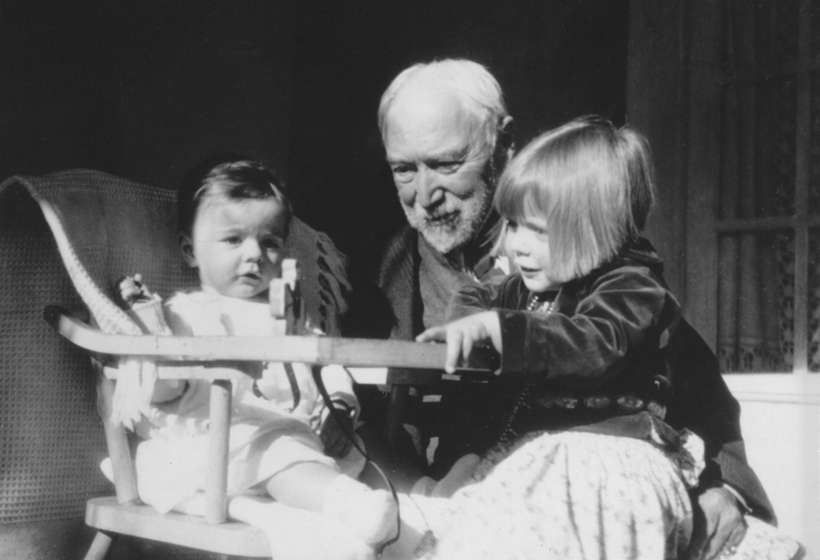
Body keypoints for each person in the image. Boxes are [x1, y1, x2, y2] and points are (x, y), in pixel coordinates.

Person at [367, 57, 773, 560]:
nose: (425, 195)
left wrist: (727, 490)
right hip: (448, 516)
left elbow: (698, 394)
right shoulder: (377, 279)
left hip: (588, 502)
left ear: (503, 143)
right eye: (405, 170)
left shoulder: (598, 271)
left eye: (447, 164)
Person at [116, 159, 396, 559]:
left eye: (270, 242)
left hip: (289, 436)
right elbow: (163, 389)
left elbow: (324, 362)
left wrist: (339, 403)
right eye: (233, 240)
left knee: (358, 448)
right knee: (279, 453)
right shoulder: (184, 315)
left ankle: (405, 510)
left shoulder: (286, 315)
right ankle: (347, 504)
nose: (254, 255)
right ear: (189, 250)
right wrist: (149, 324)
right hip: (214, 449)